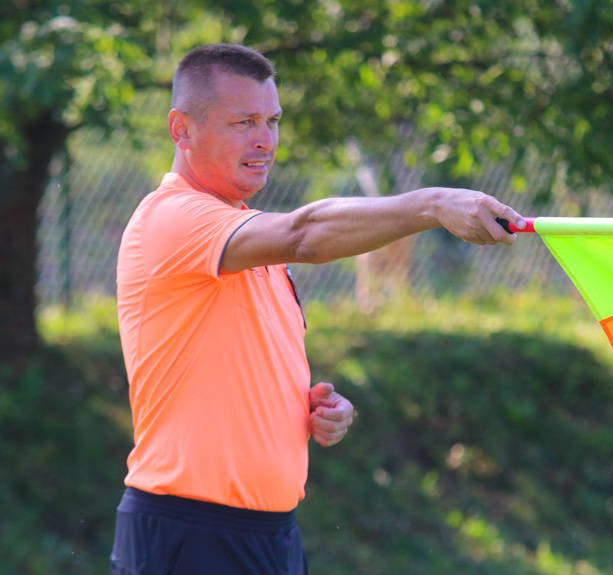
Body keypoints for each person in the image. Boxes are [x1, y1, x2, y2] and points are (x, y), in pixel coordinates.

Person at [111, 43, 525, 575]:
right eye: (243, 122)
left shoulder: (247, 240)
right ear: (181, 129)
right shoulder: (173, 218)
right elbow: (306, 234)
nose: (265, 140)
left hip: (270, 536)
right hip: (188, 533)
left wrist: (311, 412)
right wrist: (433, 204)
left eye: (273, 120)